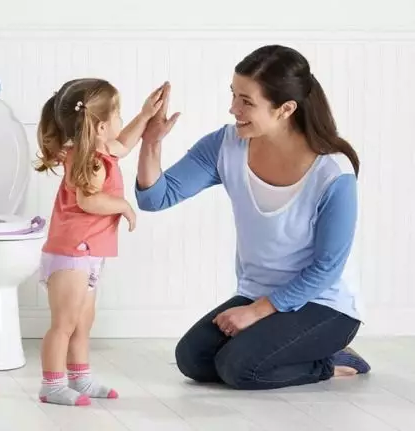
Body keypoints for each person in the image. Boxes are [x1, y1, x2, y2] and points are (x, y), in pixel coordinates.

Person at [134, 45, 371, 390]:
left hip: (324, 305)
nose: (233, 108)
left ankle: (330, 361)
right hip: (257, 293)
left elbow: (327, 269)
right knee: (192, 358)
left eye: (246, 101)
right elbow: (155, 198)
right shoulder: (226, 145)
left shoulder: (333, 172)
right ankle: (286, 348)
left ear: (285, 109)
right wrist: (151, 142)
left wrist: (257, 312)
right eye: (233, 95)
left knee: (238, 368)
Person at [34, 78, 165, 405]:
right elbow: (88, 200)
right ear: (102, 126)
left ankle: (80, 378)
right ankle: (51, 385)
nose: (121, 120)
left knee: (83, 322)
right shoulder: (91, 162)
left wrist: (145, 115)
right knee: (64, 324)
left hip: (86, 253)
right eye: (118, 114)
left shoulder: (100, 151)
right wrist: (123, 206)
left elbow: (124, 143)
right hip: (72, 253)